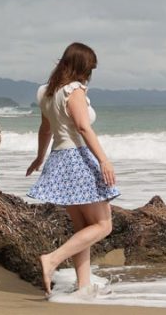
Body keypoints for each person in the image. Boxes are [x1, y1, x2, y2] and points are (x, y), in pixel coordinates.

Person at [26, 42, 119, 296]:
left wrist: (39, 158)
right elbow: (83, 127)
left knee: (83, 228)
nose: (90, 75)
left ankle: (83, 287)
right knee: (103, 224)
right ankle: (52, 259)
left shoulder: (46, 91)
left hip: (59, 160)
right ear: (81, 67)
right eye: (90, 69)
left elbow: (45, 129)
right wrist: (104, 160)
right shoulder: (73, 90)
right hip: (78, 159)